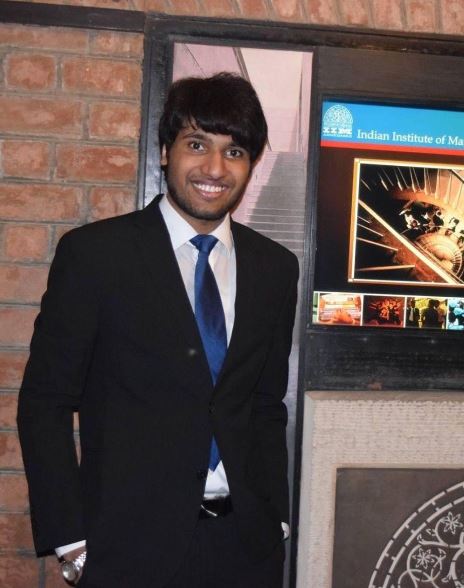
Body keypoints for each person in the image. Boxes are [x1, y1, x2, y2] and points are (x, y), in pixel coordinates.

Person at [17, 74, 299, 588]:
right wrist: (70, 539)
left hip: (245, 548)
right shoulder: (96, 256)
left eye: (234, 152)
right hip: (125, 549)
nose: (215, 169)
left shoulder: (275, 268)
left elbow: (264, 404)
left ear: (251, 164)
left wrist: (275, 517)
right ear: (166, 152)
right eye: (198, 145)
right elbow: (45, 402)